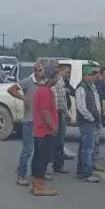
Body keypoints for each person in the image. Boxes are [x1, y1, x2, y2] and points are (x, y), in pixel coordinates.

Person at [8, 61, 44, 186]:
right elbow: (12, 89)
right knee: (28, 148)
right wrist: (24, 99)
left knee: (39, 149)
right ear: (35, 71)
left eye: (42, 70)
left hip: (40, 120)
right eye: (38, 70)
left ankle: (36, 173)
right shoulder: (28, 81)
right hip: (29, 120)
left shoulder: (43, 83)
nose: (40, 73)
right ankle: (20, 174)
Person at [30, 61, 61, 196]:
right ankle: (39, 187)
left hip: (41, 130)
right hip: (44, 131)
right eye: (56, 76)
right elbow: (45, 111)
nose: (57, 79)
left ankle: (37, 184)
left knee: (40, 158)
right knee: (42, 159)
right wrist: (53, 127)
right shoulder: (44, 92)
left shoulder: (43, 90)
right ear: (50, 77)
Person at [73, 65, 102, 183]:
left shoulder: (91, 86)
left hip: (91, 120)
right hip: (86, 121)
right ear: (85, 75)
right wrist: (91, 118)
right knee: (88, 148)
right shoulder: (82, 87)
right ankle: (86, 172)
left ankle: (82, 171)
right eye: (90, 75)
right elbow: (81, 107)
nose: (93, 77)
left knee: (85, 147)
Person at [48, 63, 73, 178]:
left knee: (58, 140)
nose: (69, 74)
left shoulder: (63, 81)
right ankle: (56, 165)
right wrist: (66, 113)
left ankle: (57, 164)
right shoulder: (58, 81)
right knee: (57, 141)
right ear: (61, 71)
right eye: (67, 72)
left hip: (60, 113)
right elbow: (60, 101)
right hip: (57, 113)